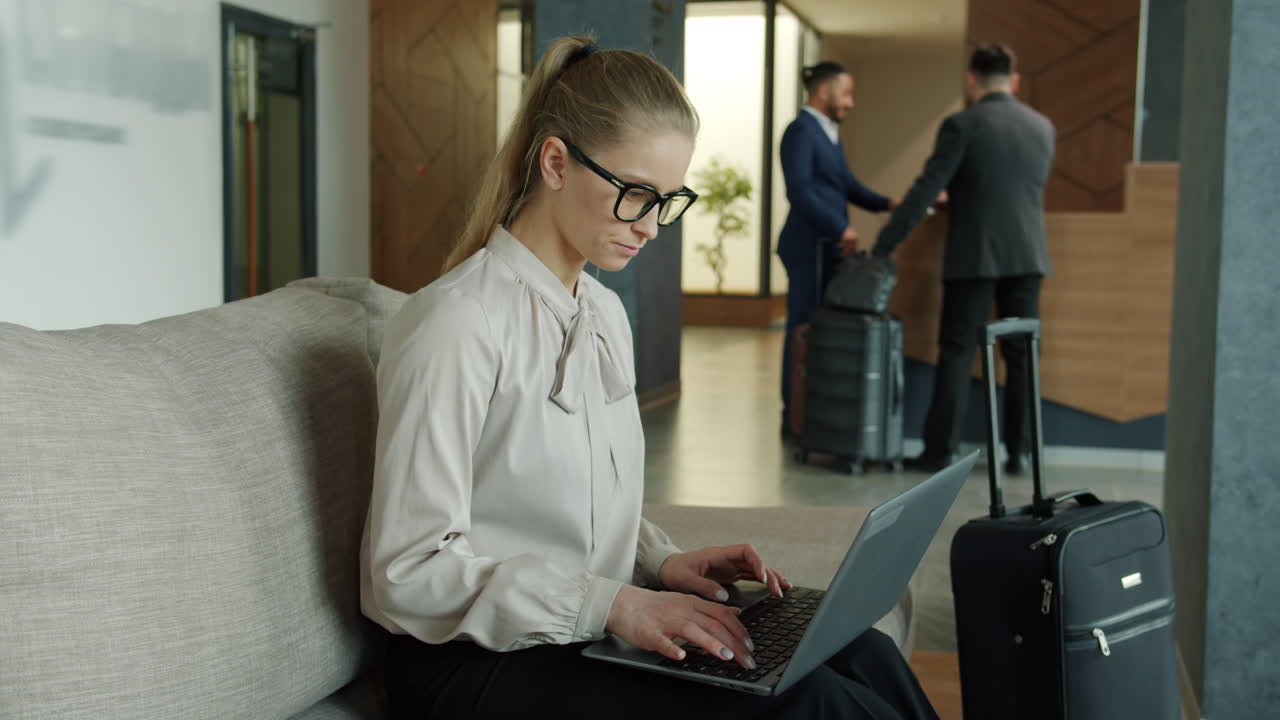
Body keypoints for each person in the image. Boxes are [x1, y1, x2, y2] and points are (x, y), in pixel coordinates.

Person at [360, 36, 940, 720]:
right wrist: (614, 603)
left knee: (860, 651)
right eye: (638, 194)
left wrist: (660, 564)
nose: (655, 225)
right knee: (809, 704)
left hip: (577, 631)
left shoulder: (603, 313)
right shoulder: (456, 324)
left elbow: (572, 503)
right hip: (473, 667)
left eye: (670, 200)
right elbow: (406, 572)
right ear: (554, 162)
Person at [872, 43, 1056, 475]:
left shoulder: (963, 124)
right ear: (1014, 80)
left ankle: (940, 452)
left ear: (971, 79)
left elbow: (924, 189)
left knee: (956, 352)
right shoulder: (1041, 126)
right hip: (1029, 255)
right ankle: (1020, 453)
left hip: (976, 253)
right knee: (1022, 355)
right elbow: (1015, 188)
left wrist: (883, 245)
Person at [777, 61, 898, 439]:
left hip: (827, 246)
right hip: (807, 245)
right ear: (823, 91)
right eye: (846, 93)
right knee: (802, 328)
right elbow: (799, 191)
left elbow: (846, 184)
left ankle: (814, 410)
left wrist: (889, 204)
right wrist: (839, 226)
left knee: (819, 327)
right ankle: (793, 417)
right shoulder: (800, 131)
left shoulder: (828, 133)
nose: (851, 102)